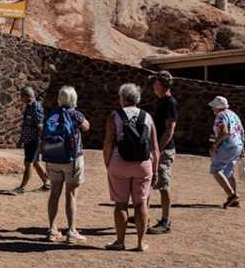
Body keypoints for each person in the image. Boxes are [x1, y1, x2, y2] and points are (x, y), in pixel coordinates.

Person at [103, 83, 160, 252]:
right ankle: (140, 243)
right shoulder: (147, 117)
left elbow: (108, 142)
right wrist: (155, 169)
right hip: (143, 165)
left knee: (120, 204)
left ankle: (120, 241)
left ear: (122, 98)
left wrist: (108, 163)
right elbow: (155, 147)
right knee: (141, 203)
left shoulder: (115, 116)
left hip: (119, 163)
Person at [42, 86, 90, 243]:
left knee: (54, 193)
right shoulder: (75, 114)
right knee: (71, 194)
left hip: (53, 157)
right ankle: (71, 231)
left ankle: (52, 229)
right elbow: (86, 126)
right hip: (71, 158)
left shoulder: (52, 114)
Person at [147, 71, 178, 235]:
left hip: (164, 150)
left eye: (155, 83)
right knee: (152, 181)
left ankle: (165, 221)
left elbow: (170, 129)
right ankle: (144, 215)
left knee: (163, 184)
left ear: (161, 85)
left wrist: (158, 149)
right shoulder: (162, 101)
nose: (153, 86)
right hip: (159, 148)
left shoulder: (169, 103)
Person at [11, 86, 50, 194]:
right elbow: (27, 125)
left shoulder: (35, 107)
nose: (20, 98)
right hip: (29, 140)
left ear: (27, 96)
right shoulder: (29, 106)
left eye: (21, 96)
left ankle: (21, 188)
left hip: (34, 140)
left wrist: (41, 141)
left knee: (28, 163)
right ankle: (47, 183)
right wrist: (21, 140)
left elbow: (40, 125)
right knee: (35, 162)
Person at [209, 96, 245, 209]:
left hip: (227, 146)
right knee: (228, 172)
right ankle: (235, 201)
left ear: (217, 107)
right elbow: (241, 131)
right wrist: (242, 147)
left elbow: (224, 132)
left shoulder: (220, 116)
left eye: (213, 107)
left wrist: (214, 146)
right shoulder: (233, 114)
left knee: (215, 170)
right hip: (237, 145)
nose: (212, 109)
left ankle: (232, 195)